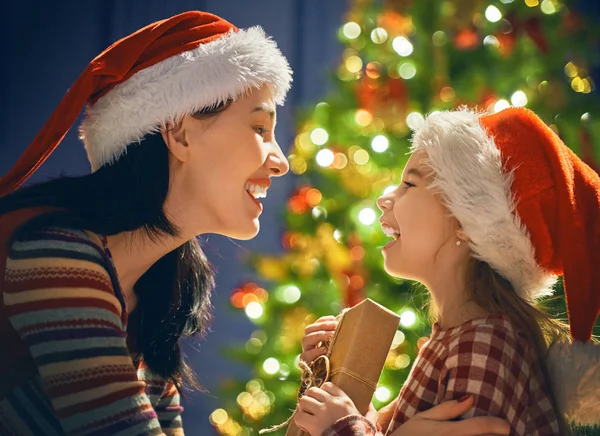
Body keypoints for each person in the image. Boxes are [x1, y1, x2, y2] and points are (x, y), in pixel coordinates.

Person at [0, 10, 525, 436]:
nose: (280, 161)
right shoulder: (55, 256)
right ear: (180, 134)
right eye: (259, 127)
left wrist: (310, 426)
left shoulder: (158, 291)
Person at [295, 108, 600, 436]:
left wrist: (343, 427)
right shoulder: (459, 337)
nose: (385, 199)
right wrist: (342, 391)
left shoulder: (486, 344)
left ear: (467, 221)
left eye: (409, 184)